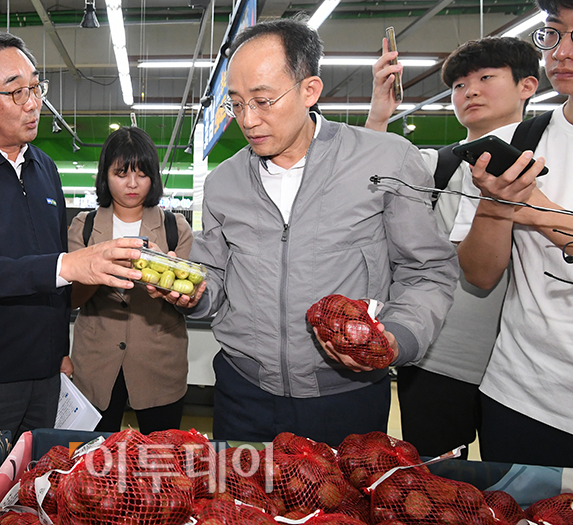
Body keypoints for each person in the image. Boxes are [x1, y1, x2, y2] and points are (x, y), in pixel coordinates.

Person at [156, 15, 458, 445]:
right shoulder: (223, 182)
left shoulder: (386, 161)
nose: (248, 119)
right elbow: (217, 277)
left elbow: (426, 270)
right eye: (236, 103)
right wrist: (192, 292)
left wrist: (398, 338)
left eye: (263, 101)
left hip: (346, 394)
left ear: (309, 90)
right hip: (244, 393)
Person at [0, 31, 144, 438]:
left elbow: (50, 267)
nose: (33, 103)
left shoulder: (44, 167)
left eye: (36, 87)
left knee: (37, 472)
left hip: (45, 374)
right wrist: (68, 265)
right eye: (16, 92)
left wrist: (60, 352)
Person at [365, 37, 540, 458]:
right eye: (459, 85)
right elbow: (367, 174)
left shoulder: (550, 164)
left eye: (486, 78)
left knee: (517, 481)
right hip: (436, 359)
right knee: (433, 479)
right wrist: (379, 114)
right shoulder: (436, 165)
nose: (470, 91)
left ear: (527, 86)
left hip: (524, 371)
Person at [451, 0, 573, 467]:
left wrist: (536, 209)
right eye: (553, 33)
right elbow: (480, 274)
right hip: (521, 395)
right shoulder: (518, 144)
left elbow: (535, 211)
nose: (561, 52)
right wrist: (497, 207)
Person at [68, 127, 193, 434]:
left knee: (162, 455)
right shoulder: (84, 227)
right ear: (105, 176)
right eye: (121, 173)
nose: (133, 183)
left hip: (159, 367)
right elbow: (70, 299)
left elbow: (188, 301)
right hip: (95, 366)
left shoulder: (175, 228)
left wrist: (167, 280)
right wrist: (100, 267)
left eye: (142, 173)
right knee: (93, 455)